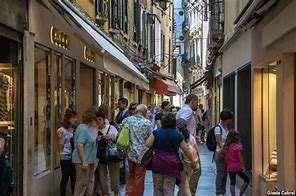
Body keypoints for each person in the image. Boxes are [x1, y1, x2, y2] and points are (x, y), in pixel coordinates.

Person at [146, 113, 198, 196]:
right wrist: (193, 161)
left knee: (157, 188)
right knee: (169, 188)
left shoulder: (156, 132)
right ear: (174, 123)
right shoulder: (177, 134)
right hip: (172, 164)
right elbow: (186, 150)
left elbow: (147, 144)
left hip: (158, 163)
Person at [121, 104, 153, 196]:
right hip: (142, 156)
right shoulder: (147, 123)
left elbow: (120, 136)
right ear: (144, 112)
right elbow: (151, 139)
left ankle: (129, 193)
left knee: (131, 176)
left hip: (129, 154)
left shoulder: (126, 121)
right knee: (139, 177)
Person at [176, 94, 201, 195]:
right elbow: (181, 123)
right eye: (197, 102)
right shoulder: (188, 110)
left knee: (187, 174)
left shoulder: (183, 109)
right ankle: (189, 193)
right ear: (192, 101)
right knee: (195, 171)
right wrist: (187, 138)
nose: (197, 104)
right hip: (188, 147)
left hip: (186, 146)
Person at [72, 109, 98, 196]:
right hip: (83, 161)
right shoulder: (83, 129)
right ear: (91, 120)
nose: (97, 121)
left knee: (89, 183)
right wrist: (84, 161)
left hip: (90, 160)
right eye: (95, 119)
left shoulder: (88, 128)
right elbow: (80, 145)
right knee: (82, 184)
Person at [96, 109, 120, 196]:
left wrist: (110, 137)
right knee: (102, 176)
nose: (98, 122)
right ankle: (105, 193)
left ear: (103, 119)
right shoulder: (94, 130)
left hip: (111, 155)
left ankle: (116, 192)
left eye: (100, 119)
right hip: (100, 155)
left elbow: (118, 139)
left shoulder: (111, 128)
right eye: (96, 120)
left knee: (114, 175)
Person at [57, 110, 78, 196]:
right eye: (74, 118)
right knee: (65, 178)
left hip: (73, 156)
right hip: (65, 157)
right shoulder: (61, 130)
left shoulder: (74, 129)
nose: (76, 119)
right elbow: (60, 145)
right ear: (69, 119)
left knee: (74, 178)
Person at [214, 110, 234, 196]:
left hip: (226, 154)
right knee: (220, 173)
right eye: (230, 119)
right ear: (226, 119)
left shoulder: (227, 128)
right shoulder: (218, 128)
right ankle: (219, 192)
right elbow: (219, 141)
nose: (231, 120)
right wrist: (224, 149)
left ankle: (223, 191)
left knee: (225, 174)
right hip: (220, 154)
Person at [224, 131, 250, 196]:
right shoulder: (237, 147)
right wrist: (243, 166)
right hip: (237, 167)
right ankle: (240, 194)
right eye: (238, 136)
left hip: (230, 167)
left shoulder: (227, 146)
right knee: (247, 179)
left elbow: (226, 157)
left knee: (232, 183)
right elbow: (240, 157)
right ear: (235, 137)